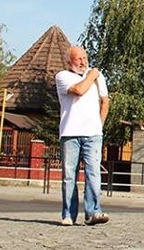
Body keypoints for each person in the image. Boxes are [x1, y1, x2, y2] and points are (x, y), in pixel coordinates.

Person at [55, 46, 110, 226]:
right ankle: (68, 214)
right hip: (70, 133)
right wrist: (92, 75)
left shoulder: (97, 77)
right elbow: (79, 90)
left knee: (93, 172)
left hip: (93, 134)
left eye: (85, 58)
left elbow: (105, 100)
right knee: (69, 175)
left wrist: (99, 124)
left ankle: (93, 212)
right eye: (78, 59)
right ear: (69, 61)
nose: (83, 61)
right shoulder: (63, 77)